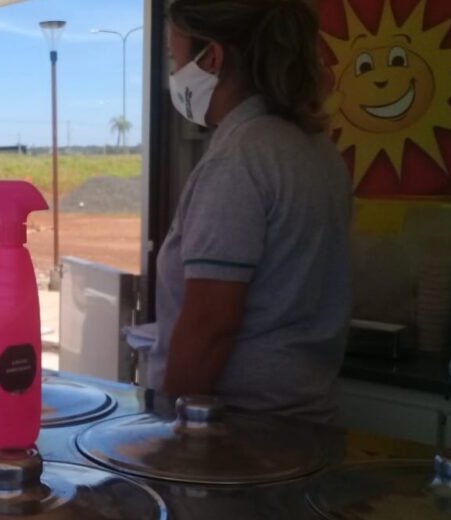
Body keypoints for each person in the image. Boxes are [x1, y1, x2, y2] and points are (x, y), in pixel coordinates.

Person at [149, 0, 352, 423]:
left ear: (213, 57)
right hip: (304, 422)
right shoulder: (314, 147)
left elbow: (210, 325)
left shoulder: (239, 159)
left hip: (238, 429)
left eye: (175, 58)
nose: (174, 73)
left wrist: (171, 430)